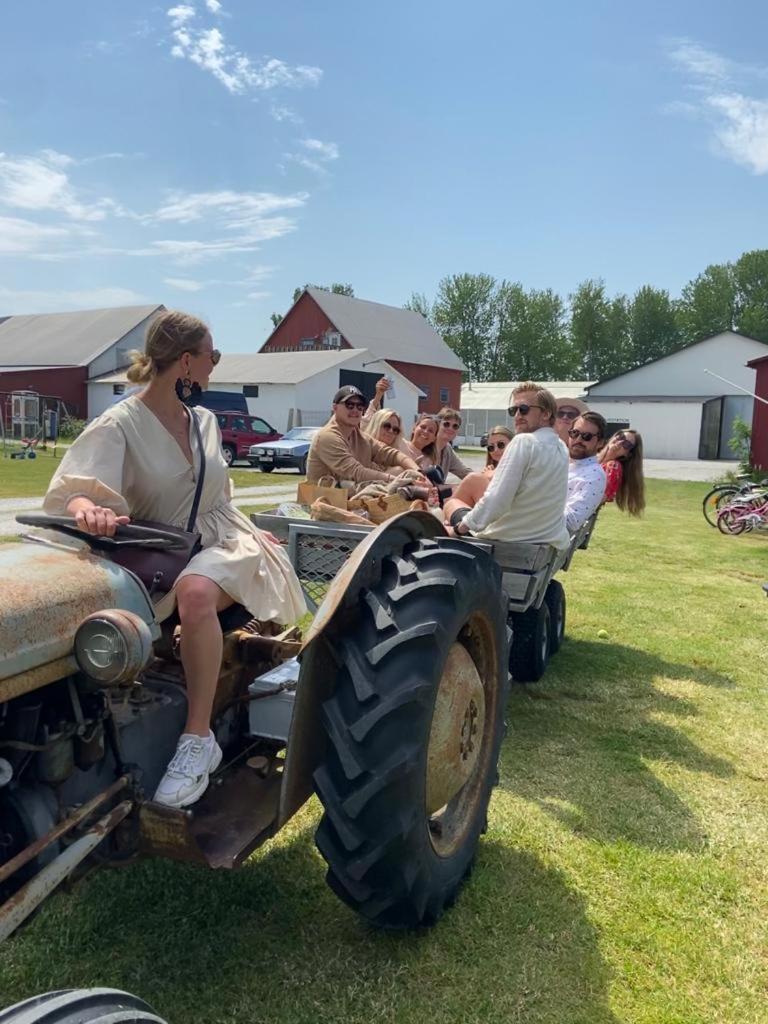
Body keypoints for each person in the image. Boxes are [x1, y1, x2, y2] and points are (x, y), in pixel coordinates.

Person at [43, 310, 306, 810]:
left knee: (198, 590)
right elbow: (72, 493)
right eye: (214, 357)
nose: (215, 366)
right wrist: (89, 510)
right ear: (186, 362)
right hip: (161, 555)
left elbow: (220, 499)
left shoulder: (203, 421)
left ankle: (197, 739)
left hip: (219, 544)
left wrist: (255, 534)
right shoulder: (120, 424)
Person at [446, 384, 569, 547]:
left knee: (450, 504)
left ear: (546, 414)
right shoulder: (561, 448)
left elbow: (496, 501)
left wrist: (458, 530)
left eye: (524, 409)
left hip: (506, 542)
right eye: (513, 410)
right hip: (541, 542)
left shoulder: (524, 442)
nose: (517, 415)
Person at [306, 385, 423, 487]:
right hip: (324, 502)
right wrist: (397, 480)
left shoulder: (360, 436)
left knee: (400, 471)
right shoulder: (327, 437)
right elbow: (356, 472)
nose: (355, 410)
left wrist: (418, 472)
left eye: (360, 406)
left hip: (349, 499)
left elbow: (391, 454)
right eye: (349, 405)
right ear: (335, 407)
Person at [442, 425, 513, 512]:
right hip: (495, 511)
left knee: (473, 479)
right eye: (491, 447)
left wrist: (488, 476)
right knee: (453, 501)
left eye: (501, 444)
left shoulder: (518, 463)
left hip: (506, 513)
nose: (496, 450)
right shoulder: (491, 469)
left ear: (513, 444)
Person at [565, 411, 608, 533]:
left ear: (600, 442)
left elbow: (571, 521)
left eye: (587, 436)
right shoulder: (562, 464)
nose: (578, 440)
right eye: (574, 433)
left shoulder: (594, 475)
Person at [598, 429, 646, 515]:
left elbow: (599, 498)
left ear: (628, 454)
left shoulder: (613, 467)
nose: (619, 442)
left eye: (626, 444)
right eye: (621, 436)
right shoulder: (591, 455)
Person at [434, 407, 472, 482]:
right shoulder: (426, 445)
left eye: (455, 426)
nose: (451, 428)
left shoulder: (447, 449)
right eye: (446, 424)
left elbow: (464, 472)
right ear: (437, 425)